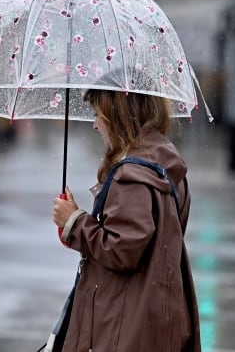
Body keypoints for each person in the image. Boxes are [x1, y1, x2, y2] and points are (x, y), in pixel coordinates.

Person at [51, 89, 201, 352]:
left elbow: (122, 250)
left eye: (98, 115)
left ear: (116, 115)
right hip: (159, 316)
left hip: (125, 325)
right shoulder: (167, 165)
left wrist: (73, 221)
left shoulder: (131, 175)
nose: (95, 124)